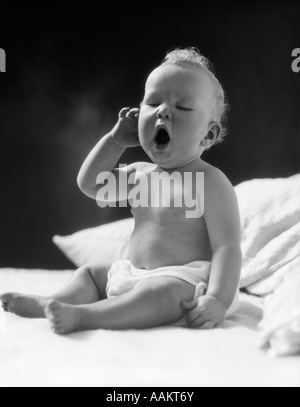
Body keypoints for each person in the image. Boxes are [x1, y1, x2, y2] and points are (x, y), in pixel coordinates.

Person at [1, 47, 242, 334]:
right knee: (90, 274)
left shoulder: (211, 181)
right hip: (133, 273)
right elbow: (91, 184)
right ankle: (53, 303)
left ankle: (85, 317)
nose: (163, 111)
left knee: (156, 292)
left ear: (209, 134)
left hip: (185, 283)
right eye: (153, 102)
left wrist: (217, 299)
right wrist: (115, 141)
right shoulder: (139, 174)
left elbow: (227, 247)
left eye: (183, 107)